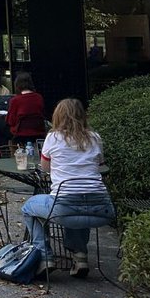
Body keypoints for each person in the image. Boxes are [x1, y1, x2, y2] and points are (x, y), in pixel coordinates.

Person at [21, 97, 115, 276]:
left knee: (29, 207)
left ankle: (44, 257)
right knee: (78, 206)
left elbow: (45, 168)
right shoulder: (95, 137)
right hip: (101, 207)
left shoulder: (53, 137)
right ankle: (80, 258)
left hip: (65, 205)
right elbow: (100, 164)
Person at [6, 72, 48, 143]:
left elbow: (10, 121)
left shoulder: (15, 100)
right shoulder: (39, 97)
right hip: (38, 132)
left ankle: (4, 149)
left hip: (20, 134)